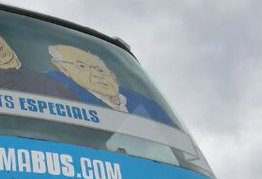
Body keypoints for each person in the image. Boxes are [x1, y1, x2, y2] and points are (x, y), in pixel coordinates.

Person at [45, 44, 176, 125]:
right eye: (82, 66)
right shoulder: (59, 92)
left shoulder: (149, 106)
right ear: (64, 70)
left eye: (101, 70)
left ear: (112, 76)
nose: (97, 75)